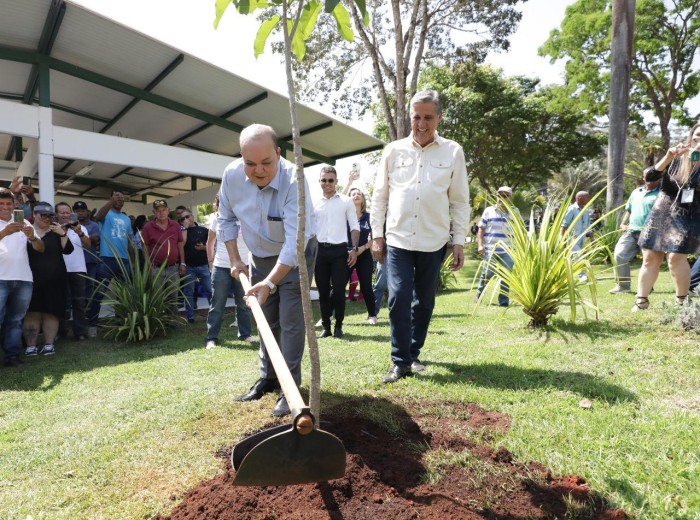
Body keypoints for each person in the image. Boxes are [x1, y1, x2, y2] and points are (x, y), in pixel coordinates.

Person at [371, 90, 470, 384]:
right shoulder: (393, 150)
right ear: (410, 116)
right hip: (399, 239)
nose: (421, 123)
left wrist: (459, 240)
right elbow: (379, 197)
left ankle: (413, 354)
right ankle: (399, 361)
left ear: (438, 117)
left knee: (424, 301)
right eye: (416, 117)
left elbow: (460, 201)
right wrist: (377, 236)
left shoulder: (453, 151)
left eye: (428, 117)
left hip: (434, 240)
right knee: (399, 296)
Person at [218, 123, 317, 418]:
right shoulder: (232, 176)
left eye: (266, 163)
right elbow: (225, 220)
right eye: (250, 163)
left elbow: (293, 245)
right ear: (241, 157)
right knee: (264, 320)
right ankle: (268, 378)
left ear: (278, 153)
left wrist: (270, 283)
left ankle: (291, 388)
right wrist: (236, 259)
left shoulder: (294, 181)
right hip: (259, 255)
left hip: (295, 254)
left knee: (290, 320)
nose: (258, 171)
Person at [635, 124, 700, 310]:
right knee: (650, 258)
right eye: (697, 136)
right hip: (662, 211)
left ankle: (681, 301)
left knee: (676, 258)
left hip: (689, 215)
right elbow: (650, 176)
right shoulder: (677, 158)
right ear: (691, 137)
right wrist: (669, 157)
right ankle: (642, 301)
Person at [313, 166, 359, 338]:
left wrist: (353, 249)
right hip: (320, 252)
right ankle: (326, 326)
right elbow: (309, 228)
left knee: (339, 291)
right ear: (319, 181)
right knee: (323, 292)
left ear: (336, 182)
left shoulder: (346, 201)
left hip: (340, 252)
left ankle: (338, 325)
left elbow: (354, 227)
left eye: (330, 180)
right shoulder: (314, 202)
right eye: (323, 180)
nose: (327, 184)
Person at [23, 202, 74, 356]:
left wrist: (62, 233)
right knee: (32, 313)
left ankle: (49, 344)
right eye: (42, 215)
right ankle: (31, 345)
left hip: (55, 280)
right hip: (30, 279)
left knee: (51, 313)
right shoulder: (26, 231)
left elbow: (68, 250)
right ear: (34, 213)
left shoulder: (56, 231)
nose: (46, 218)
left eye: (49, 216)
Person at [0, 188, 44, 367]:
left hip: (24, 279)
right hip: (1, 278)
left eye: (8, 204)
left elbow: (41, 248)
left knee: (15, 320)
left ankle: (12, 356)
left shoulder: (24, 221)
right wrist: (4, 233)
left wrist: (33, 237)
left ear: (14, 205)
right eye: (1, 204)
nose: (5, 207)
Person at [205, 194, 254, 348]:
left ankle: (245, 335)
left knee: (243, 302)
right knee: (217, 303)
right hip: (221, 266)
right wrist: (211, 263)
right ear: (218, 204)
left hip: (243, 267)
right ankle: (211, 338)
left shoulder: (245, 218)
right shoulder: (216, 220)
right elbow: (209, 243)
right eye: (222, 202)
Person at [87, 191, 134, 338]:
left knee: (126, 294)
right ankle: (92, 325)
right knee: (99, 293)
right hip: (107, 259)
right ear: (111, 198)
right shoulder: (106, 214)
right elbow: (98, 216)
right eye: (116, 197)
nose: (119, 200)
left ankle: (124, 321)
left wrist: (132, 262)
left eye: (121, 198)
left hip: (124, 260)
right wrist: (110, 201)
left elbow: (129, 241)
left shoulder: (126, 219)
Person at [609, 178, 661, 294]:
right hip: (631, 230)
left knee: (649, 261)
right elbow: (629, 209)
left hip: (650, 233)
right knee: (619, 255)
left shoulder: (662, 193)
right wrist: (623, 223)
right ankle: (623, 286)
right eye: (647, 176)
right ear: (643, 177)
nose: (649, 179)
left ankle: (647, 287)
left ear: (658, 178)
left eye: (653, 176)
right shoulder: (636, 192)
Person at [140, 199, 186, 314]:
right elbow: (144, 246)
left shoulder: (175, 225)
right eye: (158, 210)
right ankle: (160, 324)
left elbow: (180, 244)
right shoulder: (148, 227)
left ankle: (172, 323)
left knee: (173, 298)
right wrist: (148, 264)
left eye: (164, 210)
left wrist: (183, 262)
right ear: (153, 212)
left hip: (173, 268)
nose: (161, 212)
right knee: (157, 298)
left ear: (168, 210)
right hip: (156, 268)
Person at [475, 186, 517, 307]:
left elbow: (519, 231)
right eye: (500, 195)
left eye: (505, 196)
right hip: (490, 249)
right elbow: (481, 229)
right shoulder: (488, 211)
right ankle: (479, 296)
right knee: (487, 274)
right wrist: (480, 245)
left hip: (508, 250)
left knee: (506, 276)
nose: (501, 198)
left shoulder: (515, 212)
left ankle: (503, 302)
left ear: (510, 198)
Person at [56, 202, 91, 340]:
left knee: (79, 302)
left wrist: (80, 232)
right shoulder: (54, 228)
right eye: (62, 212)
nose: (65, 215)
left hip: (78, 269)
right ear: (56, 214)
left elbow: (88, 246)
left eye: (67, 212)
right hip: (60, 270)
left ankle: (80, 332)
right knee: (62, 303)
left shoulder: (80, 227)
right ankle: (60, 332)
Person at [346, 187, 377, 324]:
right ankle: (327, 317)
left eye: (359, 194)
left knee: (366, 286)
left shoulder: (369, 217)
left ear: (363, 199)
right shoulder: (344, 215)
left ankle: (372, 315)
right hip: (346, 255)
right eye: (353, 194)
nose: (356, 195)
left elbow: (375, 238)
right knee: (338, 285)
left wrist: (363, 248)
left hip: (363, 255)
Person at [180, 209, 212, 323]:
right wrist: (184, 227)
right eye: (182, 218)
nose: (186, 219)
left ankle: (214, 314)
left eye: (187, 216)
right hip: (189, 266)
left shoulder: (203, 230)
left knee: (209, 290)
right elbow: (181, 244)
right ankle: (190, 317)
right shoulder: (182, 231)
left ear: (193, 216)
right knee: (188, 292)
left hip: (203, 265)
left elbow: (213, 244)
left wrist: (204, 248)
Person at [73, 201, 100, 307]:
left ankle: (87, 309)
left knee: (89, 287)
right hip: (74, 263)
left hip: (90, 261)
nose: (80, 213)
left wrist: (83, 236)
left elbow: (95, 239)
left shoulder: (94, 225)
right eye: (77, 211)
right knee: (75, 288)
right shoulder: (70, 225)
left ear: (87, 212)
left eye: (82, 211)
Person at [560, 191, 592, 282]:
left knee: (575, 257)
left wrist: (592, 238)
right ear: (579, 198)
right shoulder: (572, 209)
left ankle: (569, 275)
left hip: (582, 239)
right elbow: (564, 225)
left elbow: (588, 225)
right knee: (579, 256)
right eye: (587, 197)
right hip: (572, 239)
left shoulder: (586, 210)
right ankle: (582, 276)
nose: (588, 199)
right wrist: (563, 240)